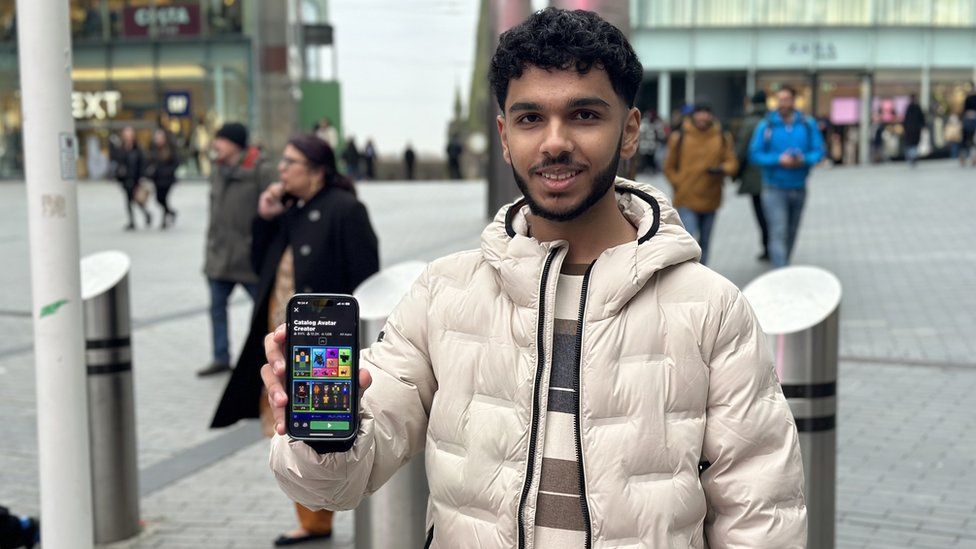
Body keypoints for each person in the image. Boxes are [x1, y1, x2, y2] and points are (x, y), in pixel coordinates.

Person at [261, 9, 806, 548]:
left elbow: (761, 514)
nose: (554, 142)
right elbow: (336, 485)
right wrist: (319, 439)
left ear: (629, 129)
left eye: (585, 115)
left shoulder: (711, 307)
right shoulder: (443, 292)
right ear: (503, 134)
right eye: (529, 119)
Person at [211, 134, 379, 546]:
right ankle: (312, 517)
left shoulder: (345, 210)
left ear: (317, 170)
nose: (281, 170)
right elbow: (259, 265)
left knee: (310, 424)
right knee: (290, 423)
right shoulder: (292, 210)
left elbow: (367, 279)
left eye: (291, 163)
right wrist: (265, 216)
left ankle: (315, 520)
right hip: (283, 337)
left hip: (323, 344)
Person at [199, 122, 272, 377]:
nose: (215, 145)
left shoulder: (260, 170)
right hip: (219, 255)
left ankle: (262, 360)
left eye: (220, 140)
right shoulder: (218, 170)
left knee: (263, 313)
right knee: (217, 310)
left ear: (234, 144)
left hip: (248, 259)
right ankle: (221, 357)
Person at [749, 85, 826, 268]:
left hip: (799, 187)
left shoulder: (807, 124)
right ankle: (781, 272)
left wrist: (804, 159)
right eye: (780, 99)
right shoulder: (766, 125)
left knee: (791, 232)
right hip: (774, 188)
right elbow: (755, 153)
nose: (783, 103)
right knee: (779, 231)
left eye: (787, 99)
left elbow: (819, 151)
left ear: (794, 101)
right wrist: (778, 160)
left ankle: (784, 266)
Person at [663, 103, 737, 265]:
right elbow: (668, 167)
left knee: (705, 241)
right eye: (699, 113)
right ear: (693, 115)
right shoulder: (680, 137)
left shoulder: (722, 136)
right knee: (688, 239)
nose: (703, 117)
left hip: (711, 197)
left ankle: (703, 275)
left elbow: (732, 162)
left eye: (706, 113)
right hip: (686, 198)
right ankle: (687, 274)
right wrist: (679, 183)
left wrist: (722, 169)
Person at [735, 90, 771, 261]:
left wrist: (736, 172)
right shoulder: (772, 120)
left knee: (761, 212)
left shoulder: (750, 122)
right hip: (773, 174)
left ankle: (768, 246)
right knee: (773, 212)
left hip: (754, 175)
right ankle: (773, 244)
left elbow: (742, 150)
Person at [113, 126, 151, 231]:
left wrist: (142, 177)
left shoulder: (138, 148)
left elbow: (142, 163)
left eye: (129, 134)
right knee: (128, 201)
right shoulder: (121, 148)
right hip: (125, 179)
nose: (127, 136)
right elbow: (117, 162)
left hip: (136, 178)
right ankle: (132, 221)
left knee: (137, 200)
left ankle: (146, 214)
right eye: (126, 134)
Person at [147, 128, 180, 229]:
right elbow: (149, 161)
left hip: (167, 179)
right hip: (157, 178)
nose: (158, 139)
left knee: (164, 198)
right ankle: (171, 212)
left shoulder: (170, 148)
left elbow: (176, 162)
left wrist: (168, 171)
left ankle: (164, 221)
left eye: (160, 137)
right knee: (158, 199)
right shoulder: (153, 148)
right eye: (156, 137)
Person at [902, 95, 926, 167]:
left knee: (911, 145)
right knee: (914, 145)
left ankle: (912, 157)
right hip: (915, 130)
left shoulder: (909, 108)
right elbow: (922, 119)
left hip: (910, 130)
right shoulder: (916, 108)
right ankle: (913, 157)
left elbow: (905, 120)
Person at [961, 84, 976, 167]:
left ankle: (973, 158)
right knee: (967, 140)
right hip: (968, 122)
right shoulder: (967, 99)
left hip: (972, 121)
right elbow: (965, 110)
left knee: (972, 140)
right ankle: (965, 158)